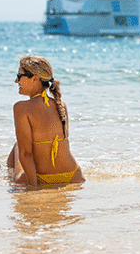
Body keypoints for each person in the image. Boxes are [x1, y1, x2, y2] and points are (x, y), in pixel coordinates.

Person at [7, 55, 85, 186]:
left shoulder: (21, 108)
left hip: (42, 178)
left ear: (35, 78)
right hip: (73, 176)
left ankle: (6, 177)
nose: (16, 81)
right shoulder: (61, 105)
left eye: (19, 76)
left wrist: (33, 187)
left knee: (18, 146)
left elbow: (26, 154)